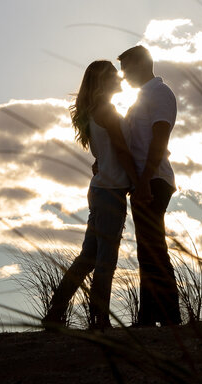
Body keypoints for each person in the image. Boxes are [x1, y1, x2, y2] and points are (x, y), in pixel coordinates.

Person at [44, 60, 139, 329]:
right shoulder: (107, 111)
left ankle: (56, 311)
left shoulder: (95, 111)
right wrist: (138, 183)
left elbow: (104, 154)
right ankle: (99, 319)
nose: (121, 78)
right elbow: (121, 151)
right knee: (105, 258)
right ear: (105, 81)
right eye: (115, 75)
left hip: (100, 189)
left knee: (88, 256)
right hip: (110, 191)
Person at [119, 44, 181, 326]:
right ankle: (148, 317)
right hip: (145, 180)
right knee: (148, 248)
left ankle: (169, 317)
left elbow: (159, 140)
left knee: (153, 248)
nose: (123, 75)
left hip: (154, 180)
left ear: (142, 65)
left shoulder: (159, 93)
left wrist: (144, 181)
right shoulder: (142, 98)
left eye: (127, 68)